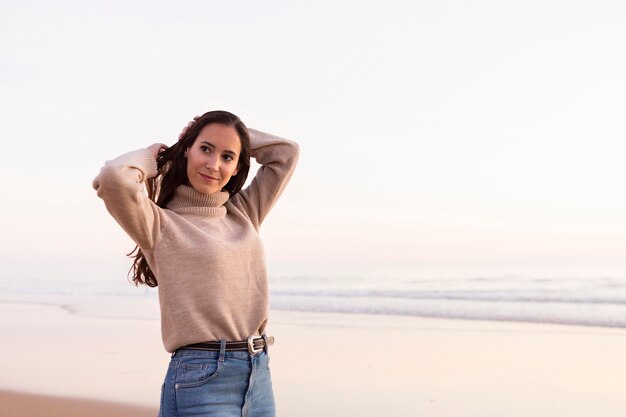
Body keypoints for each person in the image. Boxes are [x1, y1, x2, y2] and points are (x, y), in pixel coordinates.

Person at [92, 110, 299, 417]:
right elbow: (112, 179)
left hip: (258, 374)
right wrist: (151, 157)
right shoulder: (160, 225)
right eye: (205, 148)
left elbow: (286, 153)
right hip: (201, 378)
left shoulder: (244, 211)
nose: (214, 165)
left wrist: (234, 134)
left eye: (228, 156)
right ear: (187, 149)